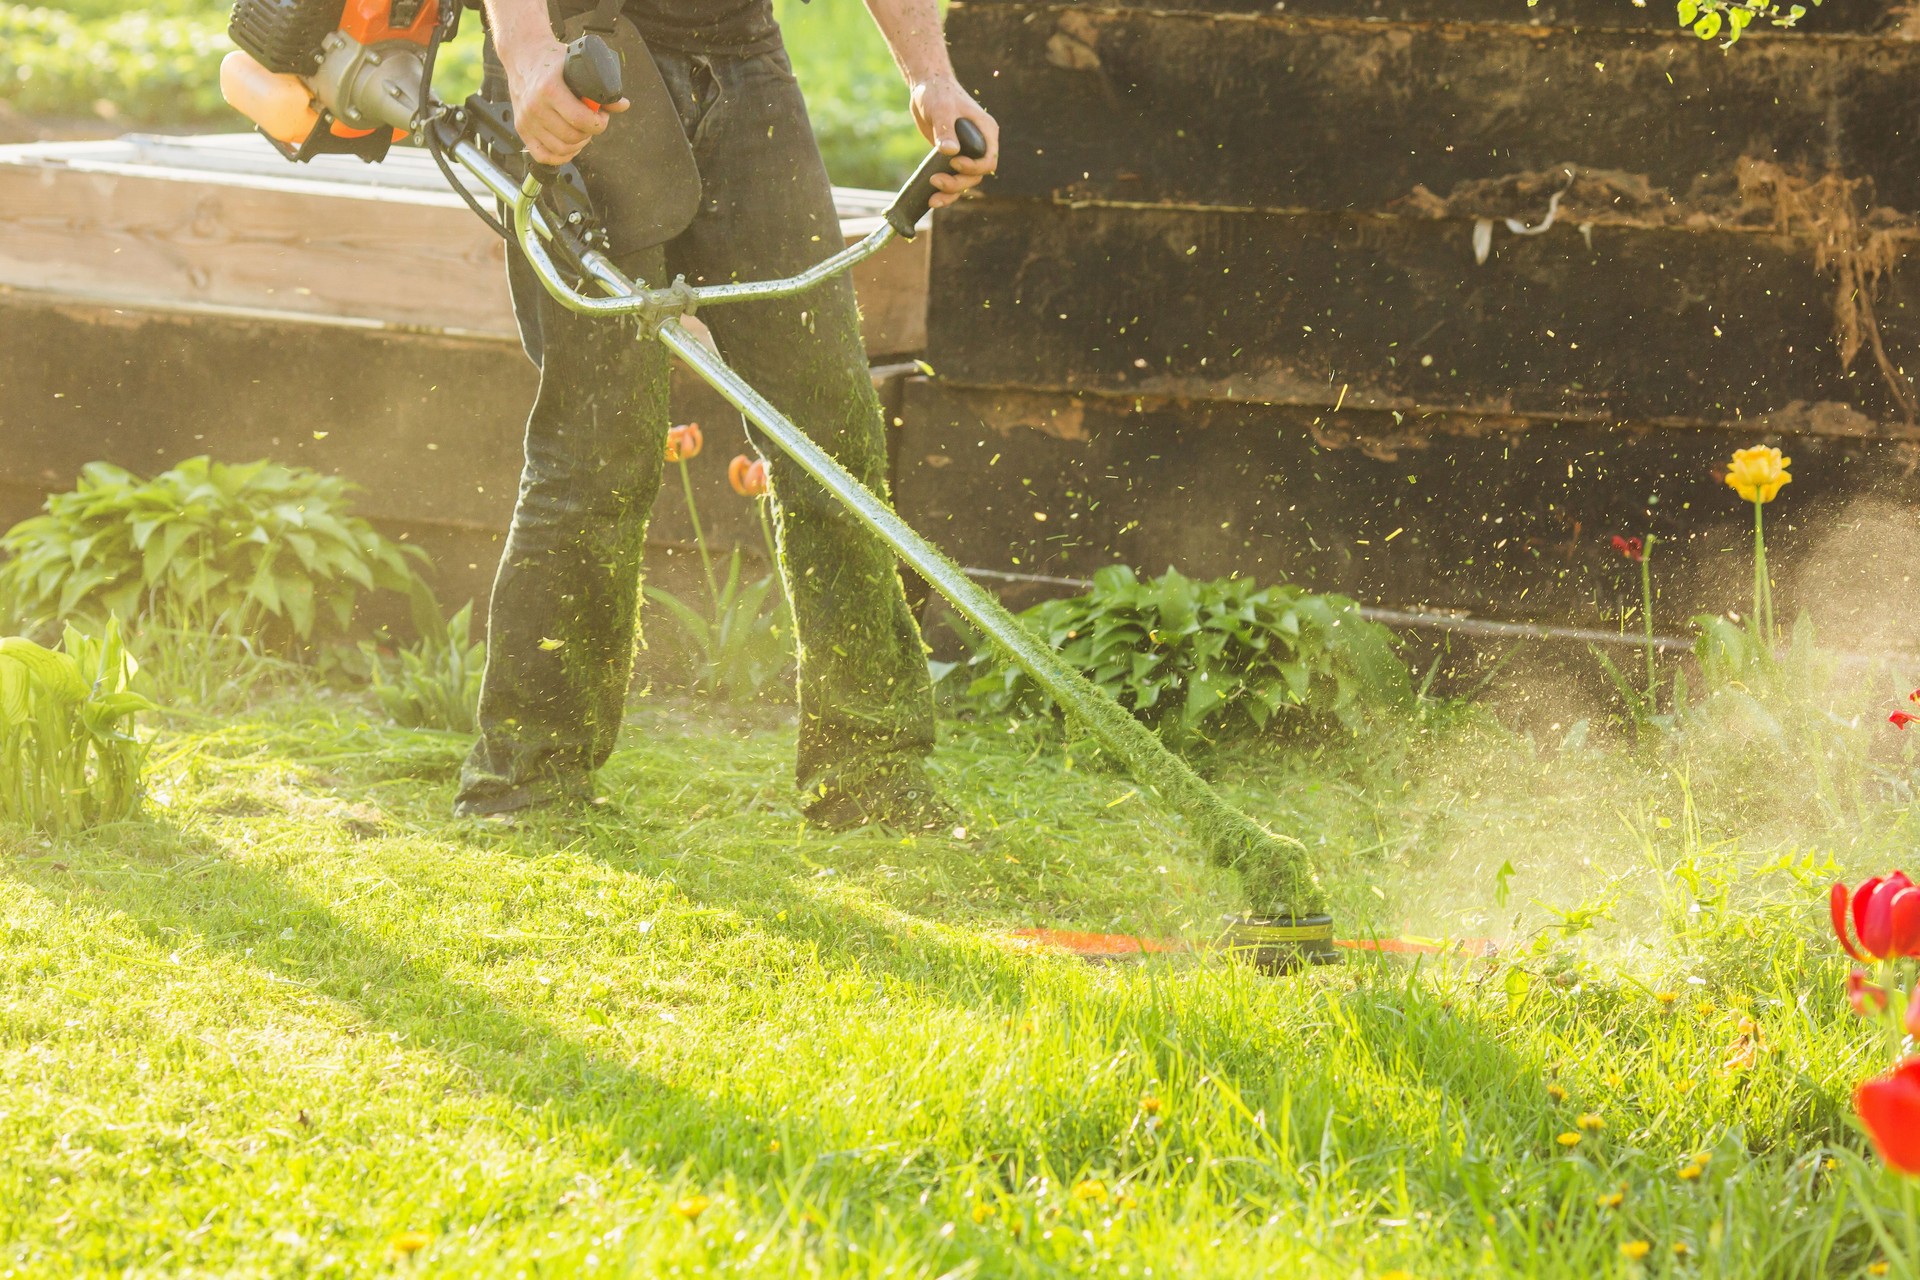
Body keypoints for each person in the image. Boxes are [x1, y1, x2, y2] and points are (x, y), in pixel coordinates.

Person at [454, 0, 999, 827]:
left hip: (744, 58)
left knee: (831, 432)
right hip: (584, 53)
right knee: (599, 444)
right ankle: (527, 783)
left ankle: (871, 772)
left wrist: (932, 76)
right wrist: (528, 50)